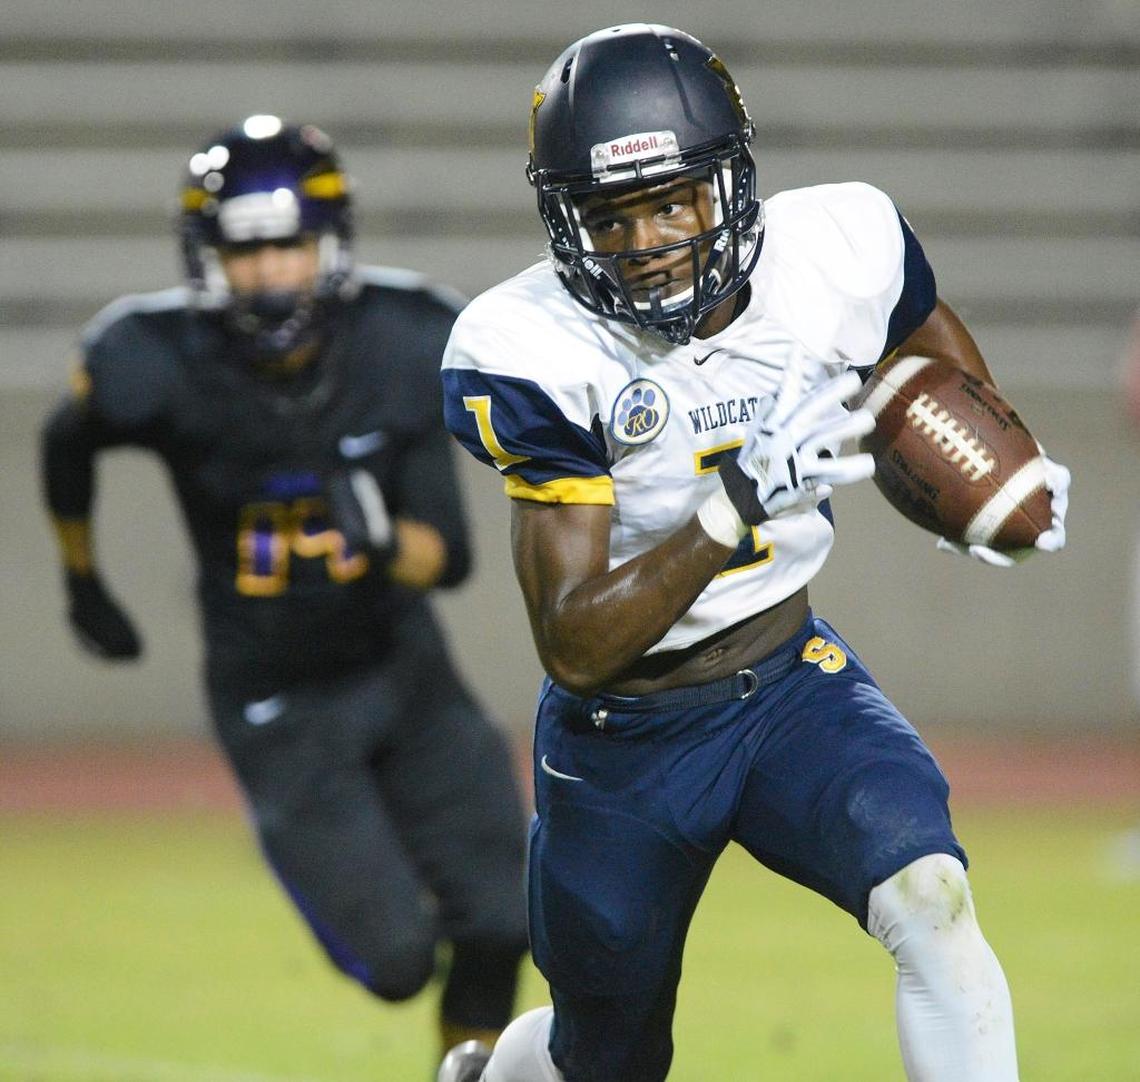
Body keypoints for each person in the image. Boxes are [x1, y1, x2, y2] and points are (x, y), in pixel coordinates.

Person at [436, 24, 1070, 1082]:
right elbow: (577, 645)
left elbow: (934, 373)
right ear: (564, 221)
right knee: (606, 1055)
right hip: (624, 732)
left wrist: (1000, 480)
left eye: (671, 202)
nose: (645, 240)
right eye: (609, 216)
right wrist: (732, 503)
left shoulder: (837, 251)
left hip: (789, 684)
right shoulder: (532, 347)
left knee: (931, 897)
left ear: (730, 184)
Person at [39, 115, 529, 1061]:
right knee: (397, 962)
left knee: (504, 919)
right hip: (278, 701)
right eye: (246, 251)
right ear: (209, 259)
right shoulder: (150, 359)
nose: (269, 274)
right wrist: (81, 579)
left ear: (332, 244)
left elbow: (449, 558)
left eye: (289, 246)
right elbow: (67, 439)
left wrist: (378, 539)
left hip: (404, 670)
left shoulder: (401, 340)